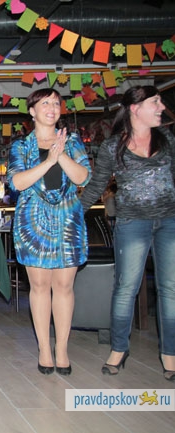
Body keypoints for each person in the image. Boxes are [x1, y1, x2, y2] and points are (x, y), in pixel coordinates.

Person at [79, 85, 175, 381]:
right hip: (132, 224)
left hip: (169, 221)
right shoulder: (113, 146)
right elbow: (97, 185)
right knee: (125, 288)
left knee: (170, 289)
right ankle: (119, 348)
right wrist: (72, 214)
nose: (161, 107)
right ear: (135, 108)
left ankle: (170, 353)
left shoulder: (168, 139)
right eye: (155, 102)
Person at [7, 88, 91, 376]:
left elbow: (83, 177)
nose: (52, 107)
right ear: (32, 111)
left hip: (67, 218)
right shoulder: (21, 146)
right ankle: (44, 348)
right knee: (40, 286)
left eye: (56, 103)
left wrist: (61, 154)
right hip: (33, 220)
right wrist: (48, 162)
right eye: (45, 103)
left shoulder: (72, 141)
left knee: (64, 286)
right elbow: (17, 183)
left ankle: (62, 349)